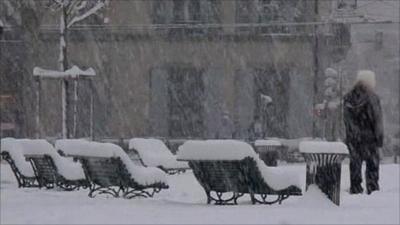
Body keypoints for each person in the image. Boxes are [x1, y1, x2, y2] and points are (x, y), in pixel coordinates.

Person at [343, 70, 383, 195]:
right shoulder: (372, 98)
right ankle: (372, 188)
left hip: (353, 139)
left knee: (355, 164)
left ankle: (355, 188)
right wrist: (379, 138)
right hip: (370, 139)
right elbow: (377, 120)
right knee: (372, 166)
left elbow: (346, 120)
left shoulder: (348, 97)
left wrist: (352, 134)